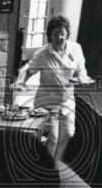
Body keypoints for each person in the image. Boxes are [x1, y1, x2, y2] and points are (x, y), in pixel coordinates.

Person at [13, 14, 93, 161]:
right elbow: (29, 70)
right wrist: (20, 83)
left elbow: (81, 69)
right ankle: (45, 167)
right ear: (50, 36)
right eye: (55, 34)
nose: (59, 38)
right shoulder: (43, 53)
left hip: (67, 101)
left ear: (67, 33)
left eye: (62, 33)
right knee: (53, 137)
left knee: (69, 133)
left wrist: (81, 77)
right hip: (47, 102)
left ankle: (55, 163)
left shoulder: (76, 49)